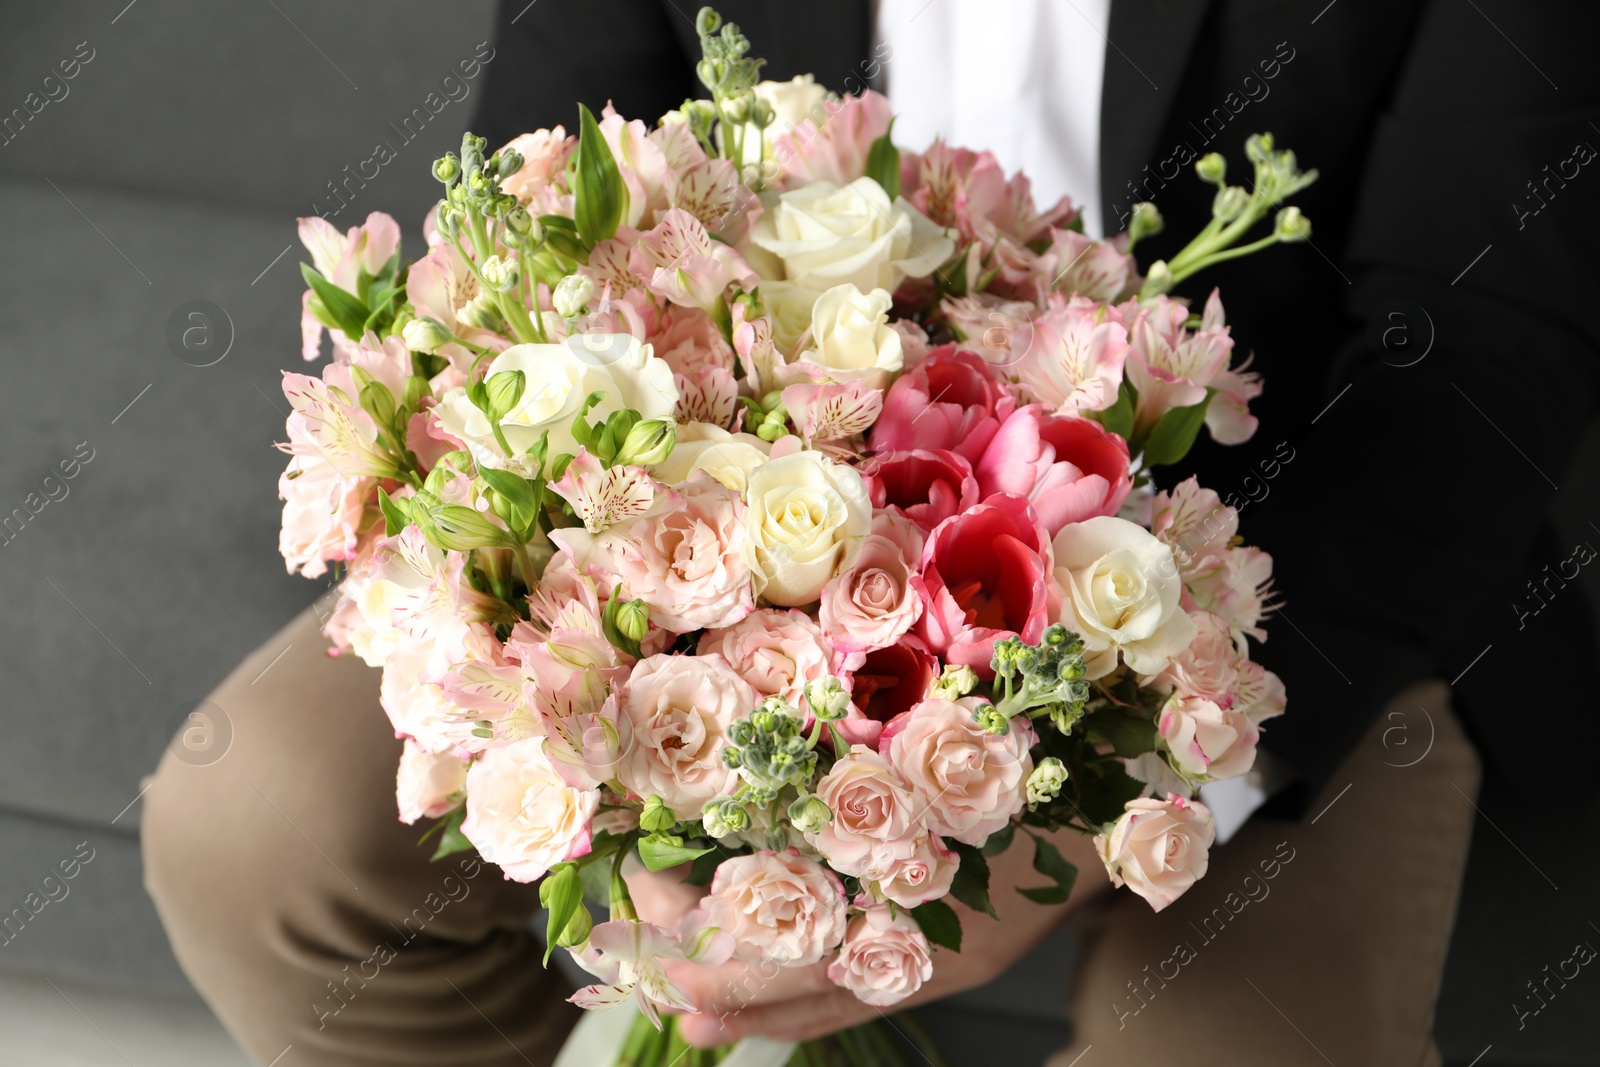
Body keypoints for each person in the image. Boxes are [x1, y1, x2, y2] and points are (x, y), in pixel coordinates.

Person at [144, 1, 1598, 1064]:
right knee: (249, 827)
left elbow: (1471, 361)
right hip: (709, 491)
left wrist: (1094, 827)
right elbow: (558, 192)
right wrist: (622, 752)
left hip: (1296, 571)